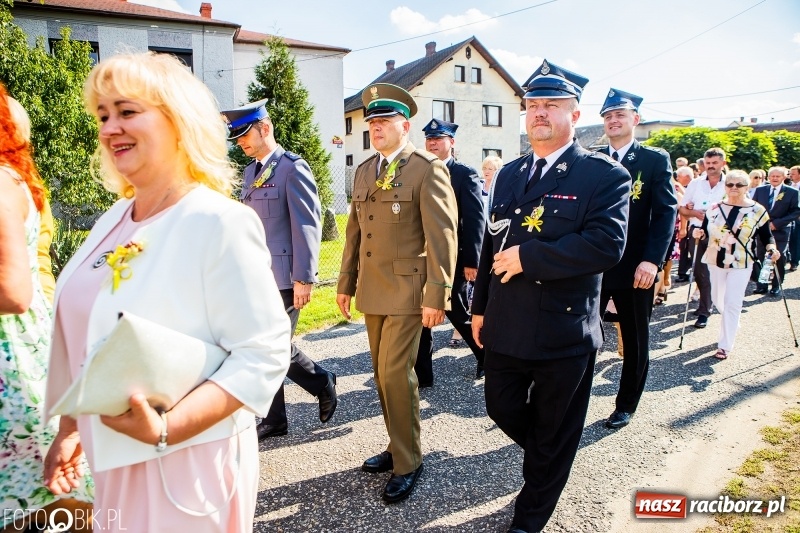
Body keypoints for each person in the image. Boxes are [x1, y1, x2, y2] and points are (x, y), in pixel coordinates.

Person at [43, 52, 291, 531]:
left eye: (127, 111)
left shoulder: (219, 221)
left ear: (178, 121)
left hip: (184, 468)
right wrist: (72, 427)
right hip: (114, 461)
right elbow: (89, 335)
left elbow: (263, 354)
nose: (110, 128)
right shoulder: (112, 220)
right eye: (103, 115)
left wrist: (166, 428)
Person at [471, 60, 630, 533]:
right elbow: (491, 244)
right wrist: (479, 308)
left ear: (574, 115)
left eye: (552, 105)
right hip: (507, 321)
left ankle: (531, 514)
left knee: (555, 424)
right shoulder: (509, 173)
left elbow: (607, 244)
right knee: (501, 406)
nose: (540, 112)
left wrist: (530, 257)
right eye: (533, 104)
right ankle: (551, 455)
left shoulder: (601, 174)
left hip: (563, 327)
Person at [337, 83, 458, 503]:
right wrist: (345, 283)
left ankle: (408, 462)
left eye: (385, 121)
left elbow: (442, 237)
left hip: (409, 290)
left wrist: (437, 294)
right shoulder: (364, 170)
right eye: (372, 122)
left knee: (394, 374)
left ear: (405, 126)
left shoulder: (426, 168)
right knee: (381, 376)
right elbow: (354, 232)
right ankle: (397, 444)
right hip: (373, 289)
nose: (376, 128)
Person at [0, 84, 94, 531]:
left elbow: (14, 288)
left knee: (45, 501)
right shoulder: (18, 180)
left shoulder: (4, 183)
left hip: (13, 355)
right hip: (31, 339)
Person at [221, 99, 337, 440]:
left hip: (286, 277)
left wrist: (304, 277)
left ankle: (321, 382)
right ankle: (275, 419)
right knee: (264, 346)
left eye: (245, 135)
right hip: (256, 276)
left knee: (272, 346)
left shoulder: (292, 168)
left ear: (265, 128)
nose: (241, 143)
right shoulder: (250, 172)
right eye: (237, 138)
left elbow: (307, 225)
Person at [598, 89, 677, 429]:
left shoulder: (653, 159)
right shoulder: (594, 159)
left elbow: (665, 213)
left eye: (620, 115)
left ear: (635, 119)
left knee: (634, 338)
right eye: (608, 116)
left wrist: (653, 261)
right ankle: (569, 398)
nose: (613, 121)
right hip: (595, 266)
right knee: (581, 334)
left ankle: (626, 404)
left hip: (636, 268)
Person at [414, 118, 486, 385]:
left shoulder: (464, 174)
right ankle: (423, 374)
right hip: (422, 256)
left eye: (438, 139)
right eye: (429, 139)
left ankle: (486, 355)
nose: (432, 143)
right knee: (420, 311)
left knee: (456, 309)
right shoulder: (419, 171)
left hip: (453, 258)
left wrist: (472, 260)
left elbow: (475, 219)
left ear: (451, 142)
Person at [692, 170, 777, 359]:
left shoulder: (757, 210)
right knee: (717, 299)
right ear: (725, 186)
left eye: (739, 185)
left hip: (741, 262)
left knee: (732, 302)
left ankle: (725, 345)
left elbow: (767, 236)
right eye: (730, 184)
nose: (734, 188)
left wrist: (772, 248)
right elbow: (705, 231)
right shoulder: (714, 208)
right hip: (715, 260)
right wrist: (699, 234)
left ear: (747, 187)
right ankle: (732, 320)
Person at [680, 147, 727, 328]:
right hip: (697, 232)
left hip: (721, 233)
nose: (710, 166)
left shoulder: (730, 183)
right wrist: (694, 212)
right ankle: (704, 310)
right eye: (708, 163)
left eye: (715, 163)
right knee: (700, 271)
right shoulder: (696, 183)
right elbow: (682, 209)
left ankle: (714, 302)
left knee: (717, 271)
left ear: (723, 163)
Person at [752, 166, 800, 296]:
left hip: (781, 229)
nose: (774, 178)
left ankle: (776, 285)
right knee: (761, 255)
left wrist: (777, 223)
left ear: (784, 177)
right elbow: (753, 207)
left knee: (779, 256)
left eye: (777, 176)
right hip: (763, 229)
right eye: (772, 176)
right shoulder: (760, 190)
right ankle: (761, 285)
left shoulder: (792, 192)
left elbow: (796, 211)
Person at [786, 165, 800, 270]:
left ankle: (794, 262)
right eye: (790, 173)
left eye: (793, 174)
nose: (790, 175)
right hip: (787, 217)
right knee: (788, 239)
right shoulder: (787, 186)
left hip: (798, 217)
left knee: (796, 240)